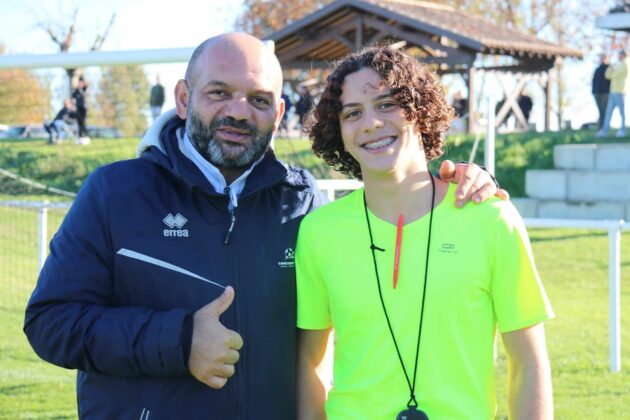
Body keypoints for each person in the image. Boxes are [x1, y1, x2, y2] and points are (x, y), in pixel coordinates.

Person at [24, 33, 503, 419]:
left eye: (257, 99)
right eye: (219, 93)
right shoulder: (114, 193)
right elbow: (50, 322)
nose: (237, 111)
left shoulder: (307, 207)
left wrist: (454, 181)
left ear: (278, 114)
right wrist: (179, 341)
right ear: (184, 98)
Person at [296, 46, 554, 419]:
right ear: (338, 131)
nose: (370, 123)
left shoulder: (492, 219)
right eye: (353, 113)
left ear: (419, 109)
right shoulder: (319, 231)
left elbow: (528, 362)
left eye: (386, 104)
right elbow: (311, 364)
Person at [597, 49, 629, 137]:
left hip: (620, 92)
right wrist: (611, 68)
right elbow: (608, 76)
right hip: (612, 92)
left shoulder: (626, 64)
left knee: (621, 113)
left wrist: (613, 70)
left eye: (619, 55)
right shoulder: (618, 65)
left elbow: (614, 76)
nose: (618, 56)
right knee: (608, 113)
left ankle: (622, 130)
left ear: (623, 55)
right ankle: (604, 131)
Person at [592, 54, 610, 130]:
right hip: (597, 93)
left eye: (604, 58)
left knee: (604, 111)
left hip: (605, 93)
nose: (602, 60)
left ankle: (603, 128)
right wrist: (593, 91)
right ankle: (600, 127)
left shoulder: (609, 69)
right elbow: (594, 81)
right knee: (600, 111)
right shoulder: (597, 69)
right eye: (601, 58)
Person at [72, 76, 90, 144]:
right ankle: (80, 137)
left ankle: (86, 137)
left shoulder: (84, 89)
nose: (80, 83)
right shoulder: (76, 91)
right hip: (78, 108)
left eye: (81, 82)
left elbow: (86, 85)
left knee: (83, 122)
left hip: (83, 108)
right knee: (79, 123)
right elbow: (73, 98)